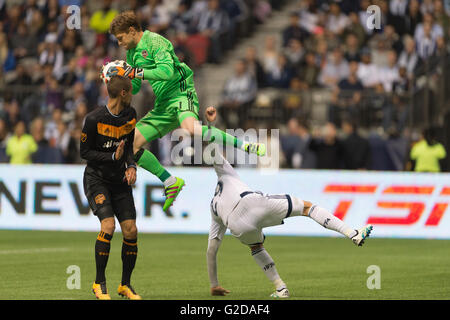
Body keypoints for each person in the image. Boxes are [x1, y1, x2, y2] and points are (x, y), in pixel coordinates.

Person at [204, 107, 373, 298]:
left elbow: (211, 251)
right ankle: (352, 233)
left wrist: (214, 284)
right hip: (250, 203)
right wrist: (211, 123)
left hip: (235, 225)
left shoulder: (213, 208)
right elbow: (212, 146)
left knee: (256, 247)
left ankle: (280, 287)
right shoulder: (223, 172)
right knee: (307, 208)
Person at [108, 11, 265, 212]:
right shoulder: (131, 54)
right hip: (163, 103)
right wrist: (120, 78)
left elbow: (166, 72)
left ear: (131, 31)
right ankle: (170, 181)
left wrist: (134, 72)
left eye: (120, 38)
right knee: (131, 143)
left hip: (181, 92)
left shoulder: (155, 41)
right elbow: (136, 87)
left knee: (190, 128)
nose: (119, 43)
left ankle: (245, 145)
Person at [80, 76, 141, 300]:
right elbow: (84, 153)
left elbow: (129, 149)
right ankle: (99, 283)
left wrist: (131, 166)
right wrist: (111, 156)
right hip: (97, 180)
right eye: (131, 91)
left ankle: (125, 285)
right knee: (108, 225)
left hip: (119, 181)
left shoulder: (130, 115)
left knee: (131, 230)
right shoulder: (94, 119)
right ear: (123, 93)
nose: (133, 94)